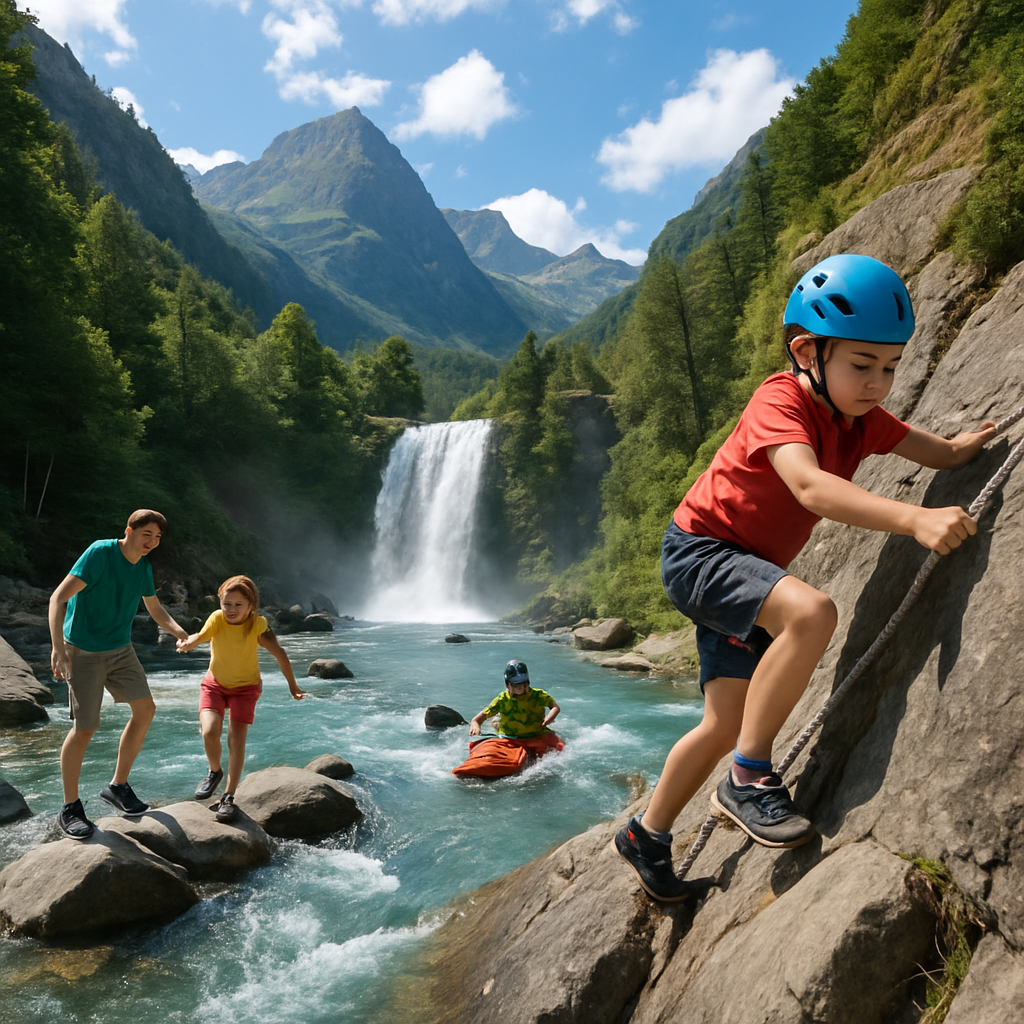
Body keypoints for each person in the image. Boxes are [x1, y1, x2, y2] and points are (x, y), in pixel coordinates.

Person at [615, 253, 997, 902]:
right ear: (807, 352)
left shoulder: (862, 419)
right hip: (703, 554)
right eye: (861, 365)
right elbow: (808, 485)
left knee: (721, 723)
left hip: (738, 569)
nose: (878, 383)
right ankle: (749, 779)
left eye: (891, 367)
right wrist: (916, 519)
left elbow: (924, 445)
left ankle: (645, 836)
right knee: (812, 613)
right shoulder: (781, 399)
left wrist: (962, 450)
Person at [48, 509, 190, 840]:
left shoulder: (143, 566)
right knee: (85, 728)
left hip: (120, 650)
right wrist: (57, 648)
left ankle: (117, 786)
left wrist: (179, 632)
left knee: (145, 710)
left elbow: (154, 608)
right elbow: (58, 598)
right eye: (147, 535)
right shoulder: (100, 553)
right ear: (129, 530)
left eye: (157, 538)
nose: (152, 542)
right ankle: (69, 807)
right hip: (82, 651)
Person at [176, 575, 304, 822]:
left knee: (236, 741)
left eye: (238, 605)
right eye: (227, 604)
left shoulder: (257, 625)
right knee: (209, 732)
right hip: (215, 684)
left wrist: (293, 686)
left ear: (251, 606)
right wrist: (187, 643)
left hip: (245, 689)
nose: (231, 610)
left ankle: (228, 796)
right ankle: (215, 772)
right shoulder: (216, 619)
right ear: (220, 603)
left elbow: (280, 654)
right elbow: (200, 636)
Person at [469, 659, 560, 739]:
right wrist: (476, 726)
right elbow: (476, 719)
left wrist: (549, 718)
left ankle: (497, 720)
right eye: (516, 685)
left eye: (524, 684)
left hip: (536, 733)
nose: (521, 688)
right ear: (508, 685)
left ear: (528, 682)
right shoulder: (502, 700)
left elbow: (555, 707)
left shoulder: (539, 695)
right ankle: (496, 721)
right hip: (509, 736)